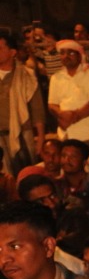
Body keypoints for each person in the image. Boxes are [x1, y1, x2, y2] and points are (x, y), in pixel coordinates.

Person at [0, 32, 45, 175]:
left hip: (22, 134)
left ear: (12, 52)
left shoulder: (27, 76)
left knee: (25, 176)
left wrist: (40, 139)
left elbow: (37, 109)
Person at [47, 39, 89, 142]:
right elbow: (52, 104)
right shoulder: (56, 78)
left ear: (79, 56)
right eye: (62, 53)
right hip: (66, 134)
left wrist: (73, 117)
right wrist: (61, 114)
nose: (66, 56)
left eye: (71, 53)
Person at [56, 139, 89, 227]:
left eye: (73, 157)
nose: (66, 160)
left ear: (84, 162)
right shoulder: (57, 184)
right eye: (63, 155)